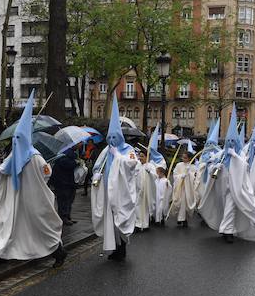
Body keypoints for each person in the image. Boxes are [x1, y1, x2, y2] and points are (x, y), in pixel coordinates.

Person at [0, 90, 66, 267]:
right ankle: (0, 254)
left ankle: (58, 252)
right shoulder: (13, 155)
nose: (15, 141)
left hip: (31, 201)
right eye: (14, 138)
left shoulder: (35, 156)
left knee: (39, 227)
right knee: (5, 224)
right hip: (14, 200)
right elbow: (2, 170)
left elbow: (47, 173)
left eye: (18, 138)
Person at [198, 105, 255, 243]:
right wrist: (216, 165)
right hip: (221, 187)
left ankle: (228, 231)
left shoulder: (239, 155)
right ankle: (226, 229)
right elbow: (210, 166)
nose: (230, 144)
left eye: (233, 142)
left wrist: (236, 158)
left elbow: (244, 167)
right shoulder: (221, 154)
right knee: (222, 207)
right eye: (228, 142)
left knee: (230, 207)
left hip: (235, 188)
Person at [91, 94, 140, 260]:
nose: (112, 140)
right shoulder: (106, 151)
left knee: (120, 219)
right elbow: (98, 165)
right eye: (109, 137)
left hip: (121, 193)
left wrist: (118, 156)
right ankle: (114, 248)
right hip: (107, 191)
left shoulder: (128, 149)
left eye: (114, 137)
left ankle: (123, 248)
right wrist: (97, 172)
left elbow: (133, 164)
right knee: (110, 222)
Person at [137, 124, 167, 231]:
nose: (140, 158)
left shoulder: (151, 165)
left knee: (146, 207)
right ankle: (139, 224)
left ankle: (145, 223)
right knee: (138, 208)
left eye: (142, 156)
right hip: (139, 191)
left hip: (148, 191)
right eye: (139, 156)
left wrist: (150, 172)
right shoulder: (139, 165)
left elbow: (155, 176)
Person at [50, 145, 79, 226]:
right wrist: (75, 162)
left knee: (69, 199)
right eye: (79, 143)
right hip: (62, 182)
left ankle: (67, 216)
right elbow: (66, 164)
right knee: (64, 200)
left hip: (68, 182)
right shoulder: (64, 154)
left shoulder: (70, 154)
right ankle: (63, 217)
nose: (80, 144)